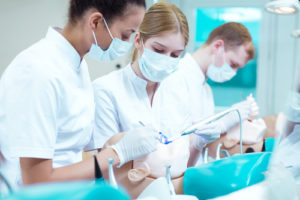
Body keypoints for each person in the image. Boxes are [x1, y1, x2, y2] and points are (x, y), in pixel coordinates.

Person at [0, 0, 158, 191]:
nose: (127, 44)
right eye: (125, 35)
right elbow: (36, 181)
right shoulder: (38, 71)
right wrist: (116, 153)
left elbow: (70, 148)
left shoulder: (77, 64)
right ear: (96, 22)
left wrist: (115, 143)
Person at [92, 2, 190, 197]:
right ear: (138, 41)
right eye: (159, 50)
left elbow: (185, 164)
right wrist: (181, 186)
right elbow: (111, 174)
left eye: (175, 55)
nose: (166, 60)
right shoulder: (106, 90)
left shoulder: (178, 90)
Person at [169, 22, 259, 165]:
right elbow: (173, 146)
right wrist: (225, 120)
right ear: (218, 46)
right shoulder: (176, 77)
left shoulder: (206, 90)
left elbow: (206, 146)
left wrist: (236, 125)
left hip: (192, 173)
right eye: (233, 64)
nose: (233, 73)